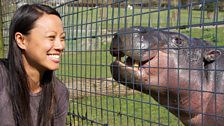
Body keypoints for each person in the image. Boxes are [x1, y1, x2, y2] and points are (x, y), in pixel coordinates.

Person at [0, 3, 69, 126]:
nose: (60, 46)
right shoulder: (2, 78)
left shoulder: (59, 92)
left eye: (62, 38)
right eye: (51, 37)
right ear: (21, 40)